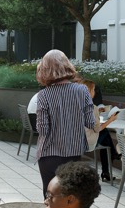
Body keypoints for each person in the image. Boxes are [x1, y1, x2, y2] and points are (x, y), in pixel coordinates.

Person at [34, 50, 95, 195]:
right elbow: (90, 122)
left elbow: (42, 129)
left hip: (49, 153)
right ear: (67, 65)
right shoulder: (83, 91)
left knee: (51, 197)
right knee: (70, 196)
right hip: (74, 152)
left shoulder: (43, 95)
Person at [82, 79, 122, 182]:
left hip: (76, 140)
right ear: (90, 91)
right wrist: (111, 120)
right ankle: (112, 157)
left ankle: (106, 171)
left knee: (105, 138)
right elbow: (97, 128)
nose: (94, 92)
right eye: (94, 89)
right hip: (88, 143)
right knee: (104, 132)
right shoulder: (92, 107)